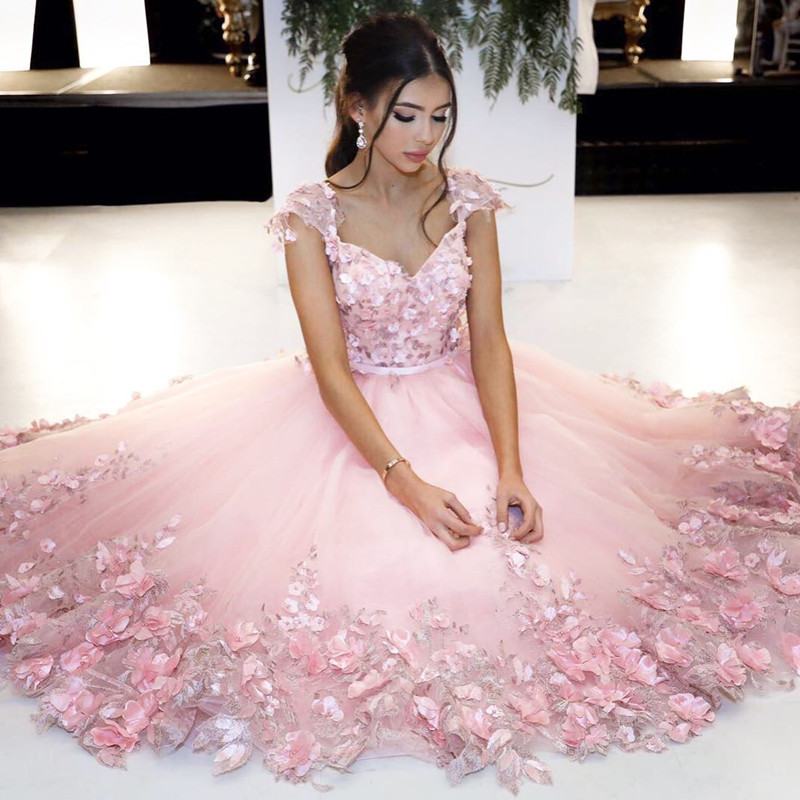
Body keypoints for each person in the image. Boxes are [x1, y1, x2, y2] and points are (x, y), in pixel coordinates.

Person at [1, 11, 799, 793]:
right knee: (409, 574)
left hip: (455, 389)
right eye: (406, 114)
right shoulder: (311, 216)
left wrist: (513, 466)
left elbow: (489, 340)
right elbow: (329, 369)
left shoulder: (470, 201)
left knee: (517, 555)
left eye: (441, 116)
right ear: (358, 108)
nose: (425, 136)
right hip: (345, 417)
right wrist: (404, 479)